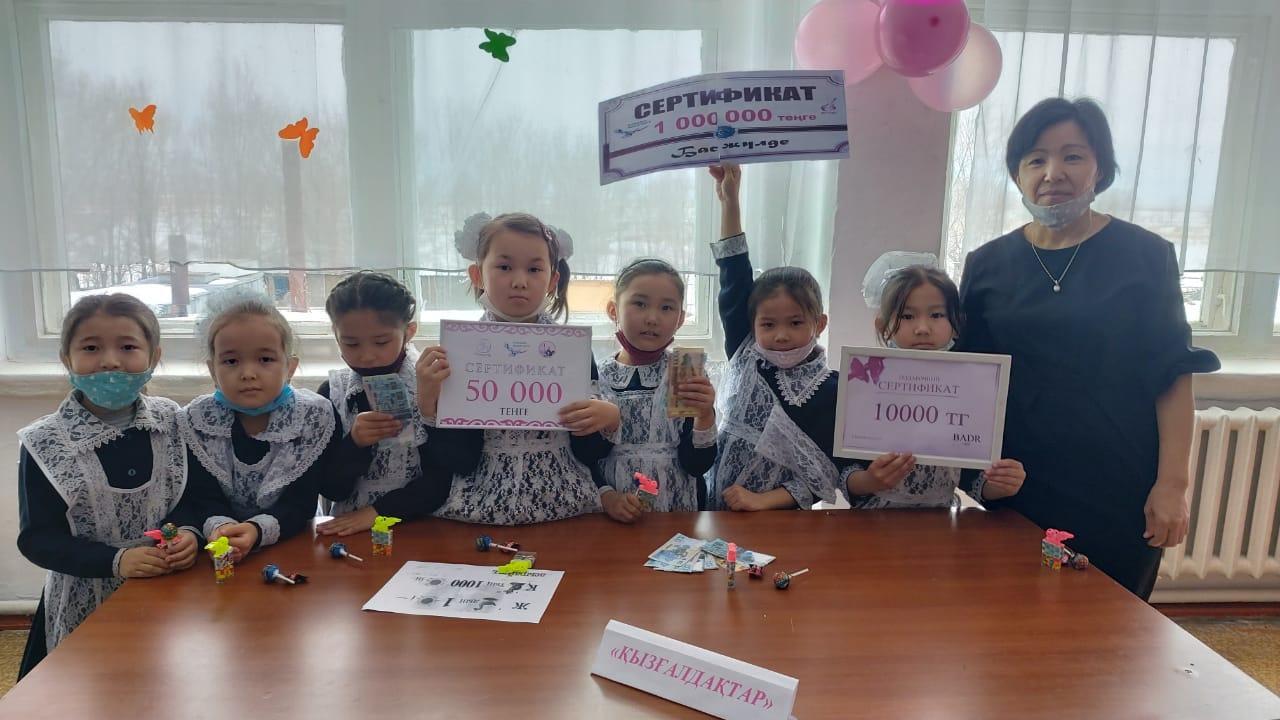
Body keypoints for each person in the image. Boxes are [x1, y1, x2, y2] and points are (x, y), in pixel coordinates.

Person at [958, 97, 1220, 599]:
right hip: (1018, 484)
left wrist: (1173, 485)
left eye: (1072, 156)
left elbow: (1171, 375)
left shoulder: (1147, 257)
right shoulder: (986, 264)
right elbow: (968, 378)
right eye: (1036, 159)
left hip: (1118, 483)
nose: (1052, 173)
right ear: (1017, 174)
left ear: (1100, 167)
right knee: (1007, 616)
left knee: (1112, 623)